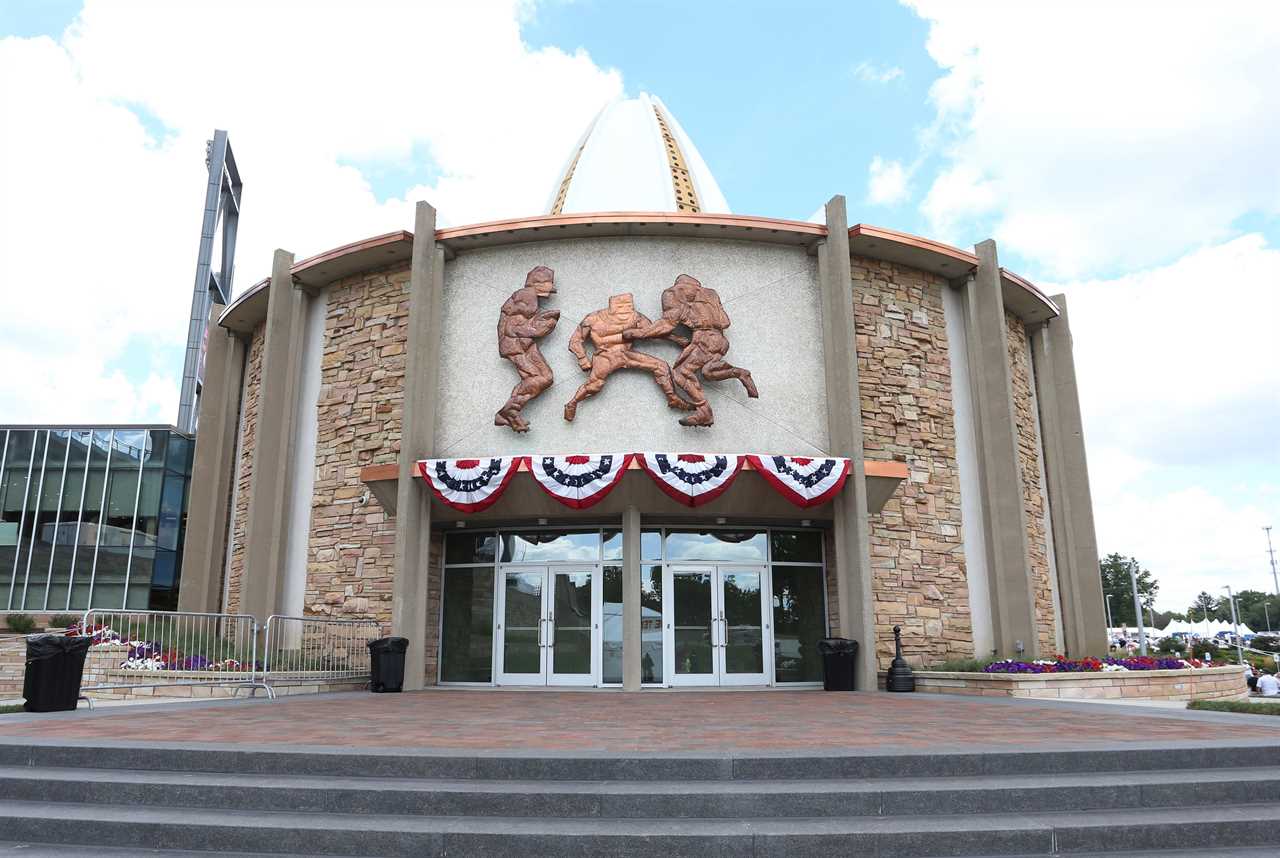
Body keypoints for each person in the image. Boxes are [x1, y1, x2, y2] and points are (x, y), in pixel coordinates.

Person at [623, 274, 758, 427]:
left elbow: (666, 324)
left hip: (704, 338)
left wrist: (637, 333)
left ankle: (704, 412)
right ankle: (738, 373)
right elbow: (725, 322)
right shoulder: (711, 294)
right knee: (708, 372)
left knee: (681, 373)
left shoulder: (674, 293)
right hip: (720, 340)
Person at [563, 293, 692, 421]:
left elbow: (652, 331)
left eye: (628, 306)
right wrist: (582, 359)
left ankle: (672, 398)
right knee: (594, 385)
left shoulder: (636, 317)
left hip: (625, 354)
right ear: (611, 306)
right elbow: (575, 341)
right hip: (605, 356)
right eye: (620, 307)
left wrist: (676, 339)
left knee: (661, 366)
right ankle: (572, 403)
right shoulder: (593, 319)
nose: (624, 310)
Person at [494, 266, 560, 433]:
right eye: (547, 285)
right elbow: (512, 328)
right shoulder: (526, 296)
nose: (549, 291)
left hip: (524, 344)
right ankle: (508, 411)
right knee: (540, 378)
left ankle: (510, 413)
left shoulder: (528, 296)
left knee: (545, 378)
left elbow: (521, 323)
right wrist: (541, 328)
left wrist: (544, 321)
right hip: (515, 346)